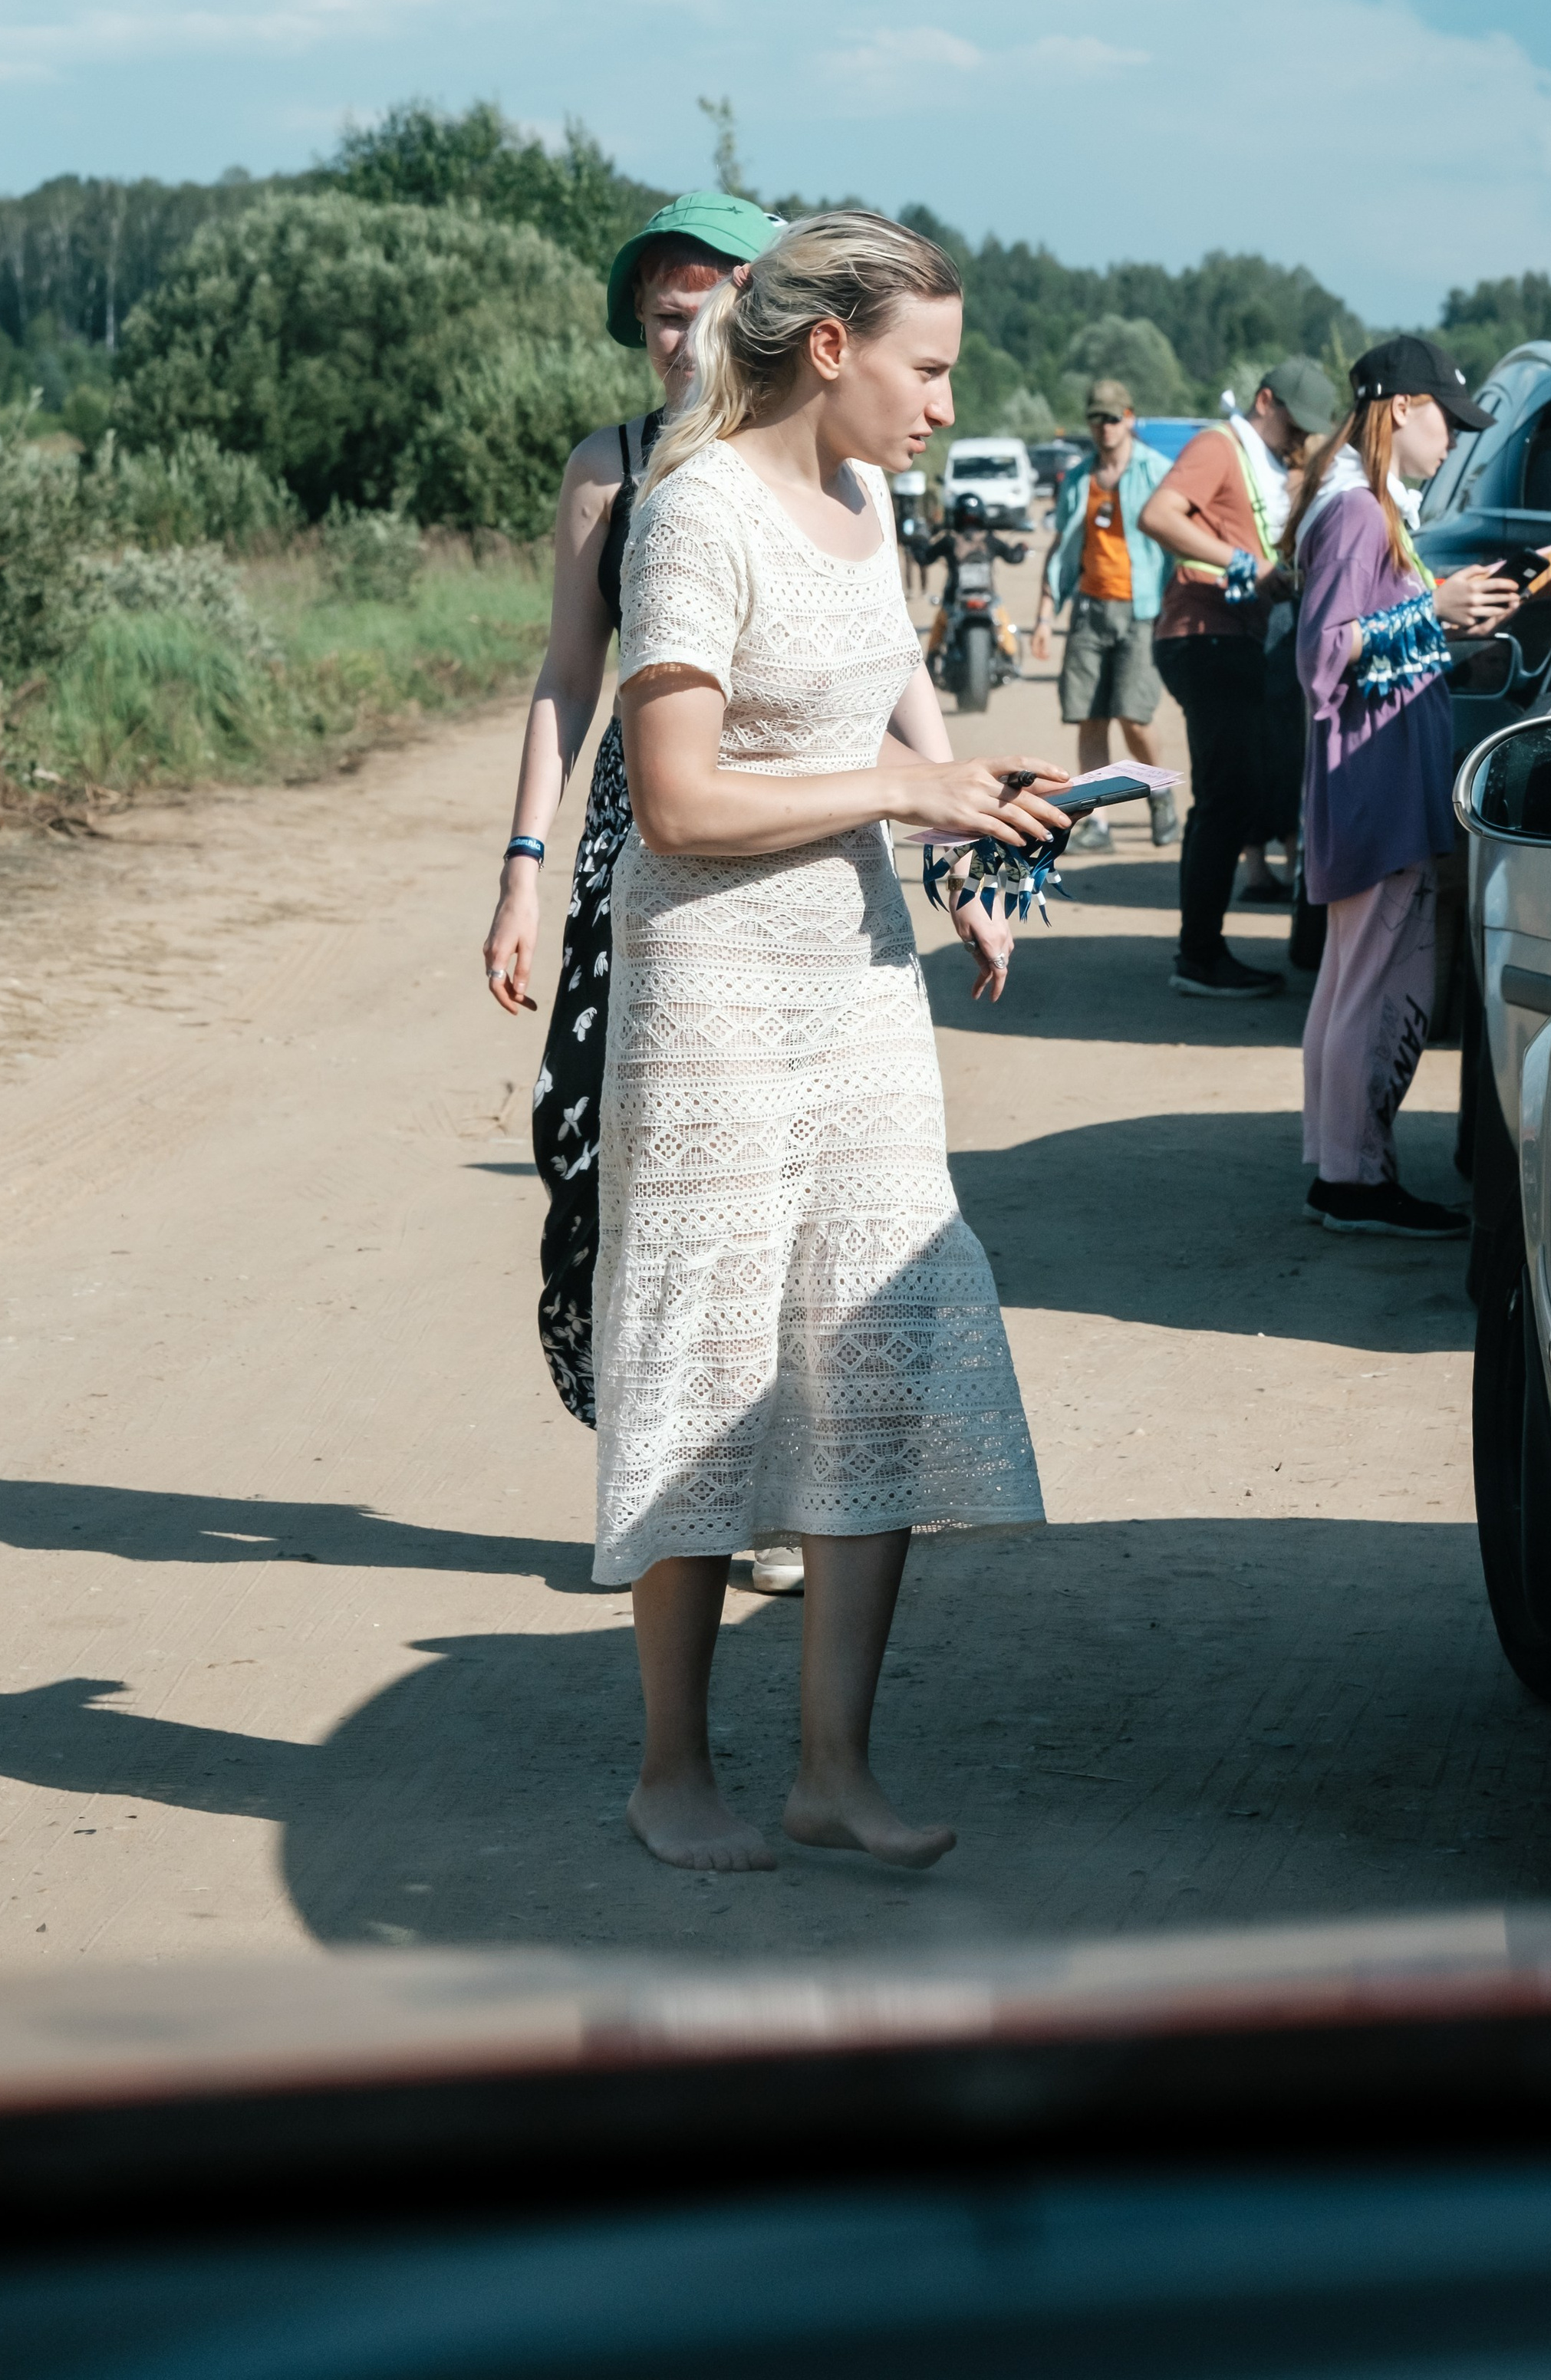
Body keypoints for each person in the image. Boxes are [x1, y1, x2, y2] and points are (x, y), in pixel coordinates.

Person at [601, 209, 1060, 1873]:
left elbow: (883, 708)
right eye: (925, 367)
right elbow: (675, 798)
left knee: (877, 1355)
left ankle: (831, 1773)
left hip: (861, 993)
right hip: (712, 996)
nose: (941, 402)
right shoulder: (692, 514)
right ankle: (672, 1773)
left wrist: (967, 838)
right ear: (829, 350)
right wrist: (899, 790)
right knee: (709, 1365)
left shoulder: (867, 504)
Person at [482, 189, 785, 1438]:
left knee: (765, 1171)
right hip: (635, 850)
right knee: (606, 1155)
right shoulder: (606, 468)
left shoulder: (811, 464)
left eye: (712, 307)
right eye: (666, 315)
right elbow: (566, 676)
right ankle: (647, 1474)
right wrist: (522, 870)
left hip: (783, 845)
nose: (686, 336)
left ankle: (766, 1471)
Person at [1290, 335, 1520, 1234]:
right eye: (1445, 421)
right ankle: (1352, 1180)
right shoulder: (1356, 512)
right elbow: (1324, 657)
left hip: (1369, 781)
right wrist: (1434, 608)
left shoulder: (1355, 502)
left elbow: (1357, 642)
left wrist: (1441, 628)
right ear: (1399, 410)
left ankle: (1338, 1164)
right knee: (1374, 988)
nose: (1452, 442)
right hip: (1375, 786)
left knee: (1350, 984)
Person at [1136, 382, 1306, 992]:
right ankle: (1200, 958)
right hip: (1206, 636)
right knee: (1229, 797)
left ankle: (1201, 952)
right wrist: (1247, 566)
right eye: (1296, 421)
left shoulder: (1262, 458)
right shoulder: (1219, 444)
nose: (1301, 436)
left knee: (1232, 792)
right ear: (1265, 400)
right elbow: (1156, 515)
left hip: (1228, 638)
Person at [1030, 378, 1178, 851]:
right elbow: (1062, 550)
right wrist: (1044, 614)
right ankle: (1097, 824)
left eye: (1113, 418)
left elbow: (1181, 541)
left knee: (1134, 717)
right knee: (1090, 717)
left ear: (1129, 419)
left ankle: (1160, 797)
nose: (1104, 427)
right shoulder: (1079, 480)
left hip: (1143, 612)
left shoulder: (1158, 471)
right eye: (1096, 418)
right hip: (1090, 611)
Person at [1236, 358, 1339, 903]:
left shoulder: (1297, 469)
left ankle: (1283, 858)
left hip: (1292, 617)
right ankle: (1259, 862)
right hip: (1274, 617)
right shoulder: (1258, 461)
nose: (1298, 438)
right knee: (1271, 747)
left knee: (1288, 750)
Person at [914, 486, 1029, 676]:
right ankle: (1009, 660)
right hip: (988, 602)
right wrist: (1022, 548)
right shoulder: (990, 540)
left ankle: (931, 663)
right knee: (1003, 621)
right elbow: (1013, 557)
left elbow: (925, 557)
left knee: (939, 627)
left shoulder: (950, 541)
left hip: (953, 602)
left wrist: (917, 543)